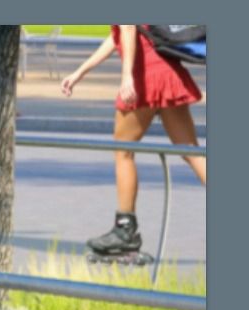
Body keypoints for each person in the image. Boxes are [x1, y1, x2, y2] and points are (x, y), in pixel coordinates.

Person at [62, 25, 207, 262]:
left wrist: (127, 76)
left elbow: (128, 28)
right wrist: (80, 72)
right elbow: (117, 36)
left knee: (123, 152)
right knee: (191, 152)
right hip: (167, 72)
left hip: (145, 75)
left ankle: (125, 229)